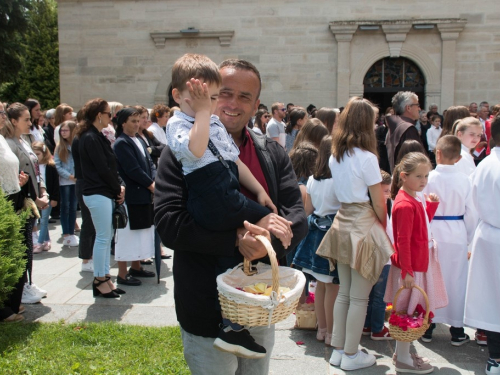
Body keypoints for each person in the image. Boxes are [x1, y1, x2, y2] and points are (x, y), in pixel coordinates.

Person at [154, 58, 307, 374]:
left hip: (260, 301)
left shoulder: (272, 152)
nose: (232, 104)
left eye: (244, 97)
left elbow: (295, 215)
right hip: (205, 304)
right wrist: (235, 240)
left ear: (256, 106)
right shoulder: (182, 150)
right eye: (223, 93)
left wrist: (265, 241)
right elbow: (169, 224)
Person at [316, 97, 393, 371]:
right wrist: (384, 228)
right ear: (365, 123)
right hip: (362, 222)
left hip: (343, 221)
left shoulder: (336, 156)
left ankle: (340, 350)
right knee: (358, 297)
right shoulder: (367, 158)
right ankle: (349, 354)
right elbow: (379, 202)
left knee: (346, 294)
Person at [384, 152, 448, 374]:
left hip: (414, 264)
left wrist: (429, 208)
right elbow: (402, 240)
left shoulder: (413, 198)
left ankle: (402, 354)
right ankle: (402, 358)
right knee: (407, 311)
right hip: (410, 266)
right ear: (404, 176)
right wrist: (407, 271)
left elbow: (417, 230)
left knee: (411, 310)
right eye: (419, 176)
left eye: (426, 176)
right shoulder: (404, 203)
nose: (423, 181)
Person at [421, 135, 477, 345]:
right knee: (457, 280)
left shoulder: (428, 178)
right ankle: (457, 329)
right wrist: (469, 238)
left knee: (432, 278)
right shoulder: (465, 179)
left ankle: (428, 326)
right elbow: (471, 212)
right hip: (457, 232)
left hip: (433, 230)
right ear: (459, 157)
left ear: (437, 153)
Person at [292, 136, 340, 347]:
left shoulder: (312, 179)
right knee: (333, 287)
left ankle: (322, 329)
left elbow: (309, 210)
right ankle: (330, 332)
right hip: (333, 235)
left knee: (321, 284)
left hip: (315, 234)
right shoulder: (338, 180)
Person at [2, 103, 50, 304]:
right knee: (23, 245)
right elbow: (17, 176)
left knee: (28, 244)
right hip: (22, 201)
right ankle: (21, 288)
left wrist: (43, 190)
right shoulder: (9, 144)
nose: (31, 123)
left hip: (32, 198)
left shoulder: (23, 140)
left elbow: (36, 170)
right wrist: (33, 197)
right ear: (14, 121)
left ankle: (27, 283)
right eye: (26, 119)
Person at [78, 98, 125, 298]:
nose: (111, 117)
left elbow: (110, 167)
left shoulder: (97, 136)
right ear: (99, 115)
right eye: (108, 113)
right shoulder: (89, 137)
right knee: (103, 238)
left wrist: (118, 186)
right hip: (97, 192)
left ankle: (105, 277)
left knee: (106, 237)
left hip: (103, 192)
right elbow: (102, 169)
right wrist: (117, 189)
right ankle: (99, 280)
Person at [464, 116, 500, 375]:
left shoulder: (485, 163)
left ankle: (494, 359)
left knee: (491, 300)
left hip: (487, 234)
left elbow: (473, 201)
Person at [113, 108, 156, 286]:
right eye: (133, 121)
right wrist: (151, 185)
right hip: (131, 195)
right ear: (123, 123)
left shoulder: (138, 139)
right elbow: (133, 170)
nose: (137, 124)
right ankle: (122, 274)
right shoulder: (121, 143)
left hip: (143, 194)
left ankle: (136, 266)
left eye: (138, 121)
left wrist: (154, 179)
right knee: (127, 235)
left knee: (141, 232)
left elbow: (150, 163)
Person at [0, 102, 30, 321]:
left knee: (14, 252)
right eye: (0, 112)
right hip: (4, 202)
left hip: (12, 199)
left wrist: (17, 181)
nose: (3, 115)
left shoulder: (2, 139)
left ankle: (10, 303)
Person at [363, 170, 394, 341]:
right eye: (384, 191)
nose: (387, 194)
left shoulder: (385, 205)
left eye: (388, 190)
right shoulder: (376, 208)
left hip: (378, 255)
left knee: (372, 294)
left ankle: (368, 325)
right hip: (381, 256)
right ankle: (377, 328)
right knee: (379, 296)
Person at [54, 120, 79, 247]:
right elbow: (57, 166)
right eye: (61, 131)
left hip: (76, 181)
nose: (63, 133)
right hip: (65, 181)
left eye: (65, 130)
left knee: (73, 207)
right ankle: (66, 233)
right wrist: (70, 176)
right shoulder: (59, 146)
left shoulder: (76, 144)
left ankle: (71, 231)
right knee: (65, 206)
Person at [31, 141, 59, 253]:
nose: (36, 157)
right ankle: (47, 240)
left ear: (44, 153)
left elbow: (55, 184)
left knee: (43, 220)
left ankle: (39, 243)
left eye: (37, 154)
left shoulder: (50, 166)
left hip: (48, 197)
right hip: (37, 197)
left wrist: (54, 198)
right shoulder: (32, 166)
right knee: (42, 220)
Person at [386, 91, 422, 173]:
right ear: (408, 108)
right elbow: (415, 160)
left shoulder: (394, 126)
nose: (419, 109)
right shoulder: (408, 129)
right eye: (417, 105)